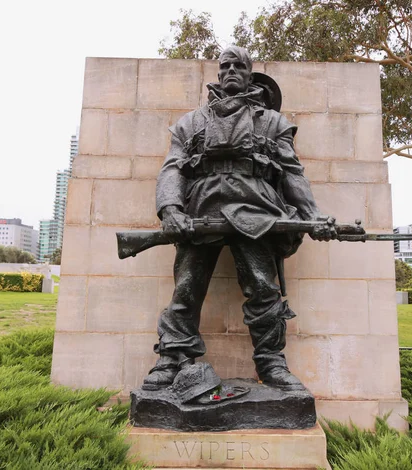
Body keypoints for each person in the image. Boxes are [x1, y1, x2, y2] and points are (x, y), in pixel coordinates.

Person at [143, 46, 335, 391]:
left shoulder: (273, 122)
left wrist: (313, 216)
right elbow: (172, 168)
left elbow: (292, 174)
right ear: (219, 74)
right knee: (186, 289)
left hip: (256, 210)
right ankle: (171, 358)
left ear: (250, 73)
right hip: (201, 211)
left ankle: (272, 363)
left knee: (263, 288)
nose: (231, 70)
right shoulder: (191, 122)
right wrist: (171, 209)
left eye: (238, 66)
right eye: (225, 65)